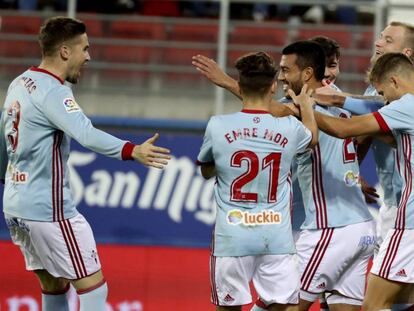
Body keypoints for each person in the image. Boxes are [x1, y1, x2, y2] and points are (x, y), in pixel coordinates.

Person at [0, 16, 171, 311]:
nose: (89, 56)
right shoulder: (54, 91)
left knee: (54, 286)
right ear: (65, 51)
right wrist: (132, 151)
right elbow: (87, 134)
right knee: (94, 291)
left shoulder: (20, 81)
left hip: (16, 206)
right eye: (85, 48)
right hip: (49, 211)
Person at [193, 41, 375, 311]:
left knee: (278, 306)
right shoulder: (345, 101)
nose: (280, 76)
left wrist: (229, 82)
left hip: (330, 229)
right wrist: (353, 173)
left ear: (307, 73)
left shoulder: (306, 106)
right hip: (361, 227)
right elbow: (363, 131)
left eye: (286, 70)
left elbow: (267, 109)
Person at [197, 51, 318, 311]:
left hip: (232, 237)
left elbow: (206, 171)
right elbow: (313, 138)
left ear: (239, 86)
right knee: (283, 306)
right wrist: (306, 107)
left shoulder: (217, 125)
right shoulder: (289, 127)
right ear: (273, 86)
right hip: (275, 237)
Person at [308, 52, 414, 311]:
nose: (384, 101)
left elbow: (344, 129)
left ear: (394, 81)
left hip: (411, 222)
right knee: (403, 300)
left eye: (383, 93)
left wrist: (306, 109)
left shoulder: (405, 105)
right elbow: (391, 139)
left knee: (373, 304)